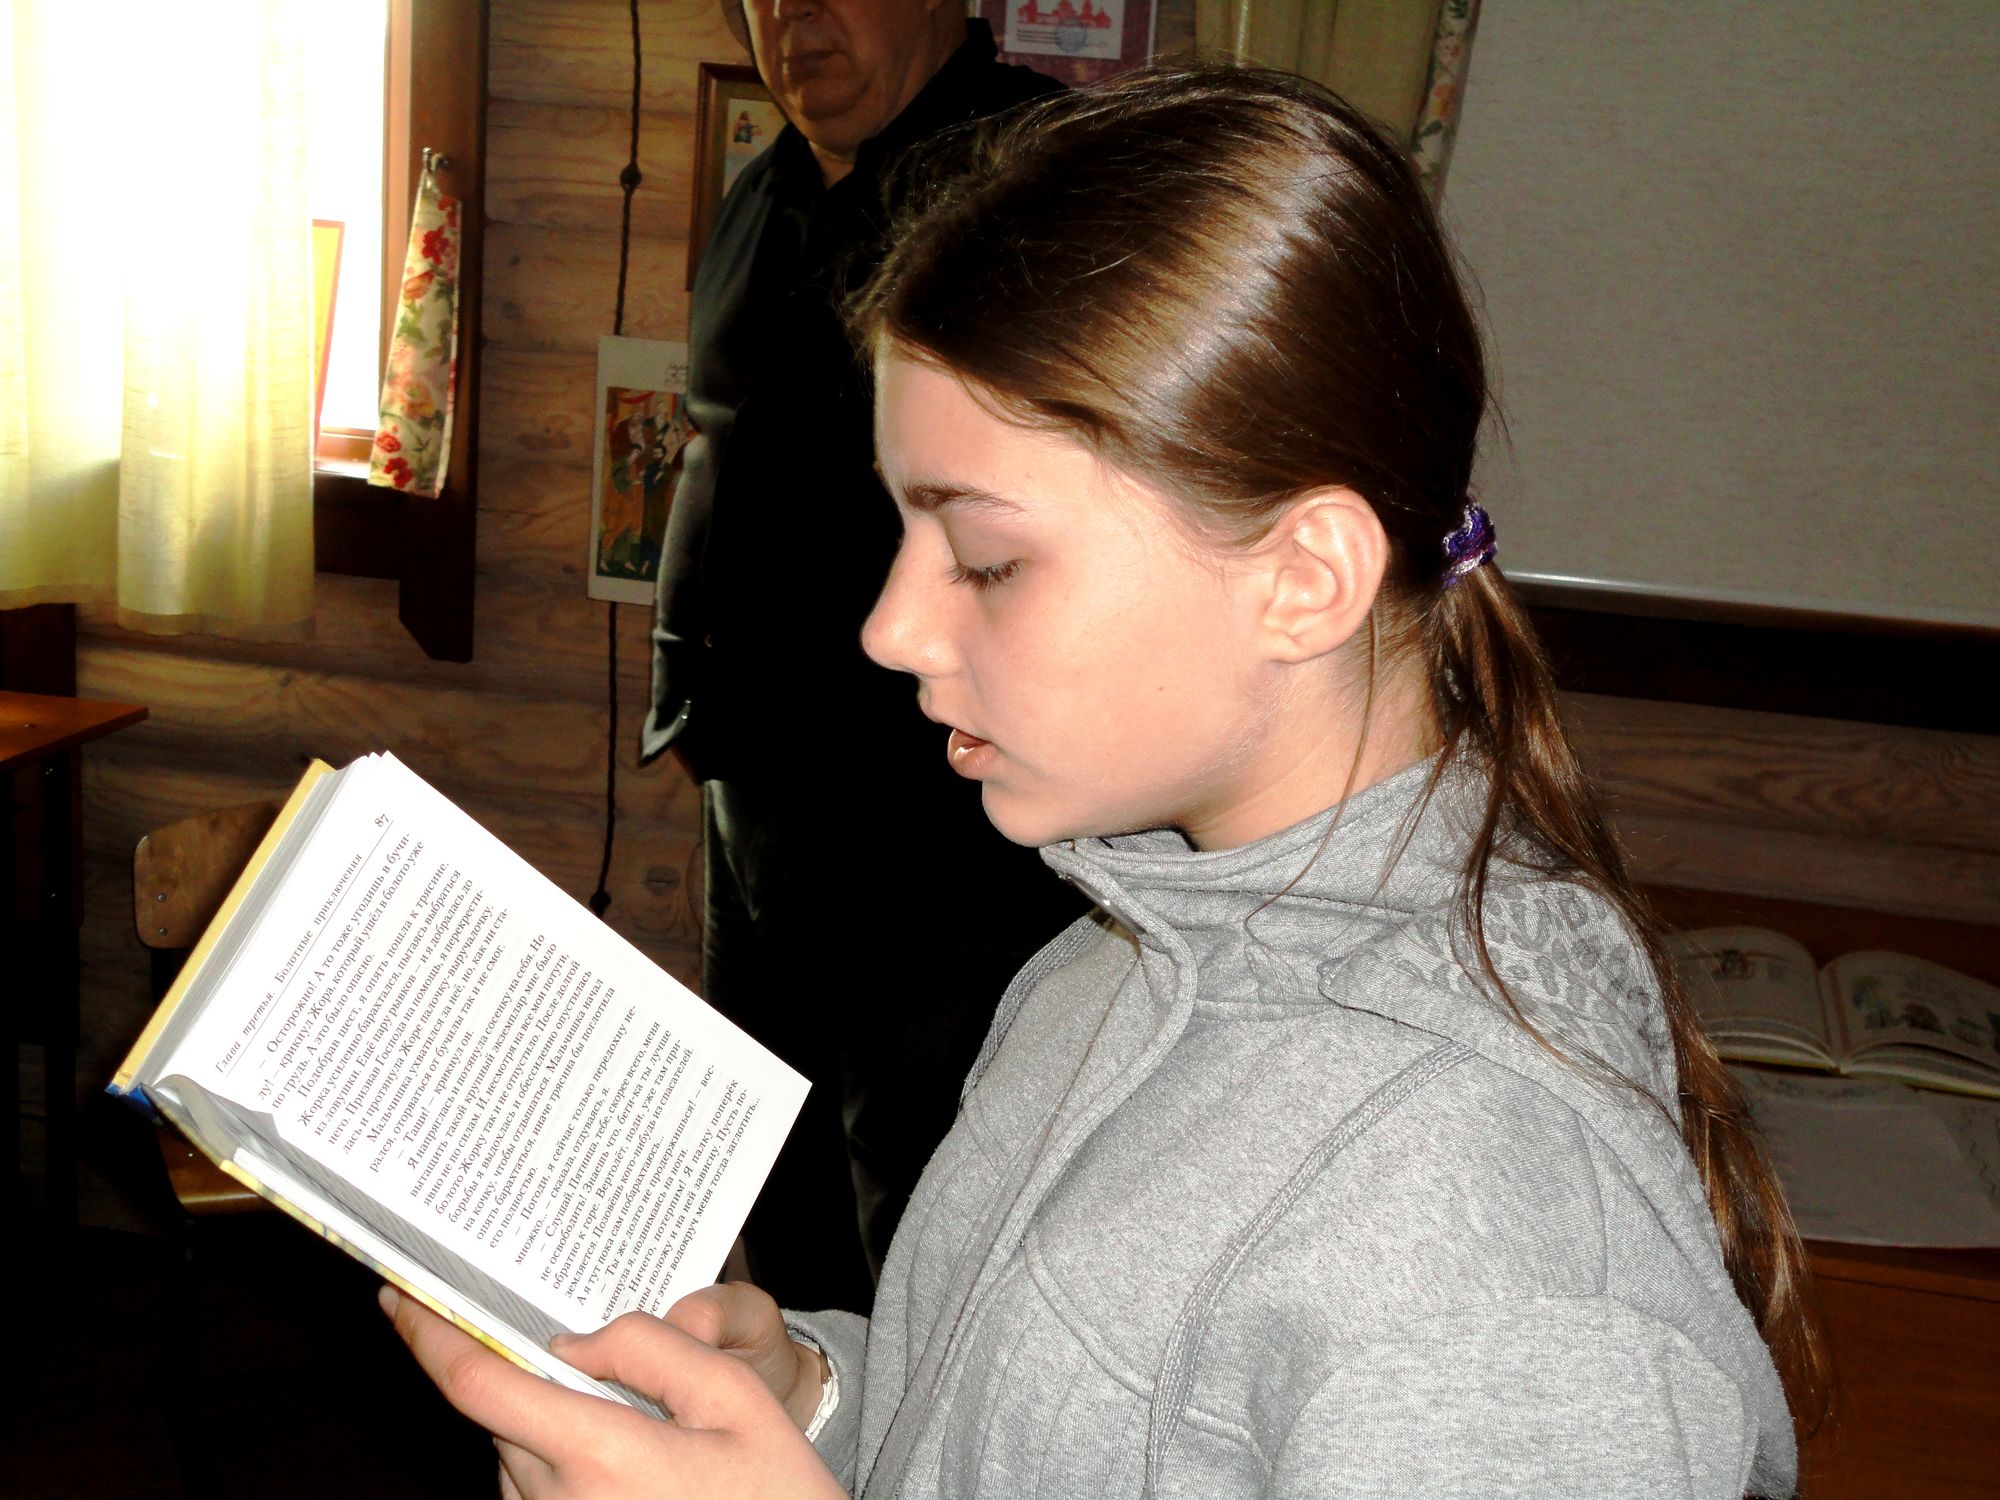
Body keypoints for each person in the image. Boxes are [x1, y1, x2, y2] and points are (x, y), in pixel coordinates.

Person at [392, 66, 1818, 1497]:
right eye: (903, 532)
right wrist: (816, 1399)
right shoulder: (1117, 949)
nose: (890, 628)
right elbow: (1030, 1433)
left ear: (1303, 578)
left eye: (987, 559)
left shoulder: (1499, 1260)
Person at [643, 0, 1077, 1314]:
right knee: (774, 1168)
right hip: (754, 784)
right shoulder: (766, 188)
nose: (793, 14)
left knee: (924, 1200)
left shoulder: (1034, 177)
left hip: (933, 812)